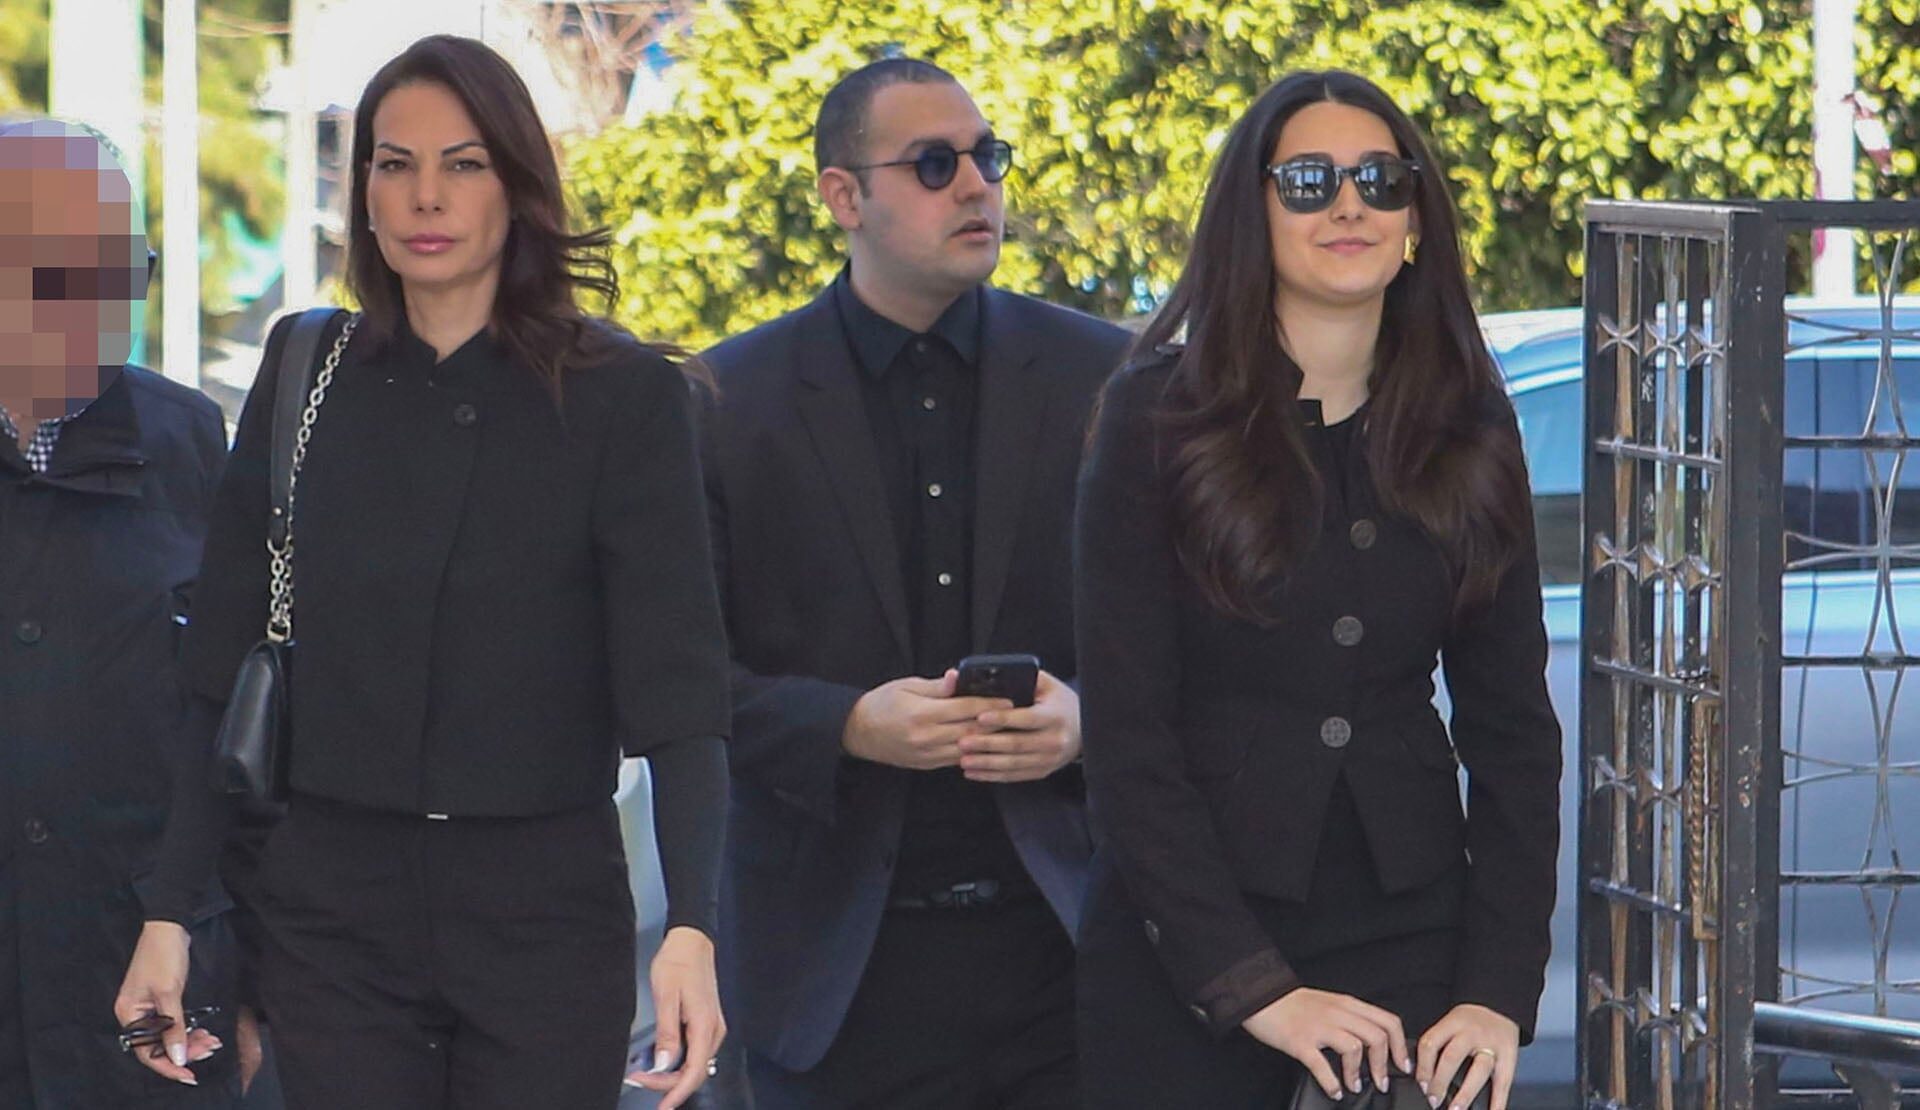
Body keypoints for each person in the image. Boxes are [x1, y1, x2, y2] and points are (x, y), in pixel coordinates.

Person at [112, 35, 731, 1110]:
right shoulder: (306, 370)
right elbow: (219, 671)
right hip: (335, 913)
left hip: (544, 911)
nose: (424, 197)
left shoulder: (622, 397)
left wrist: (693, 927)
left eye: (463, 163)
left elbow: (680, 697)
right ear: (363, 189)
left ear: (517, 186)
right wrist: (169, 911)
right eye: (394, 164)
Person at [1073, 69, 1561, 1110]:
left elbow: (1514, 727)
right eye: (1308, 181)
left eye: (1382, 180)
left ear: (1416, 217)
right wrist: (1256, 989)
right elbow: (1127, 740)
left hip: (1411, 928)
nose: (1350, 205)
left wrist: (1496, 991)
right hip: (1191, 939)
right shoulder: (1157, 416)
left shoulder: (1471, 418)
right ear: (1251, 211)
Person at [698, 57, 1129, 1109]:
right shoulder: (726, 400)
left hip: (1068, 958)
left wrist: (1088, 719)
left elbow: (1194, 645)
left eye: (988, 156)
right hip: (828, 981)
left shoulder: (1109, 380)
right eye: (934, 164)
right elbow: (675, 683)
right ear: (843, 197)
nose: (976, 185)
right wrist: (848, 725)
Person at [0, 116, 270, 1109]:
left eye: (125, 272)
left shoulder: (190, 440)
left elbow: (242, 729)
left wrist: (253, 984)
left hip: (150, 1000)